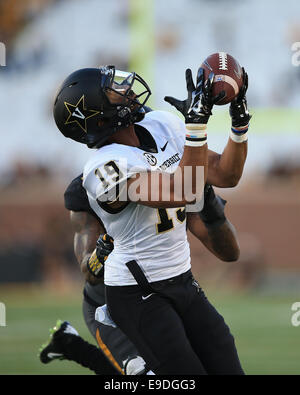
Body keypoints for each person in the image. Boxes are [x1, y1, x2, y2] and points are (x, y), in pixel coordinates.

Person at [52, 65, 251, 374]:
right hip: (136, 293)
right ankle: (72, 346)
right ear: (99, 116)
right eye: (114, 91)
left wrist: (239, 124)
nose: (127, 90)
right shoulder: (103, 168)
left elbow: (227, 174)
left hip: (182, 279)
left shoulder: (160, 124)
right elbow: (181, 190)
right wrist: (196, 125)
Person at [39, 182, 241, 375]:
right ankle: (73, 347)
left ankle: (69, 344)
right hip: (108, 302)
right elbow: (89, 272)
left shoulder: (173, 171)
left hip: (169, 294)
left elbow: (228, 251)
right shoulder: (91, 185)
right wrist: (100, 255)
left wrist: (212, 211)